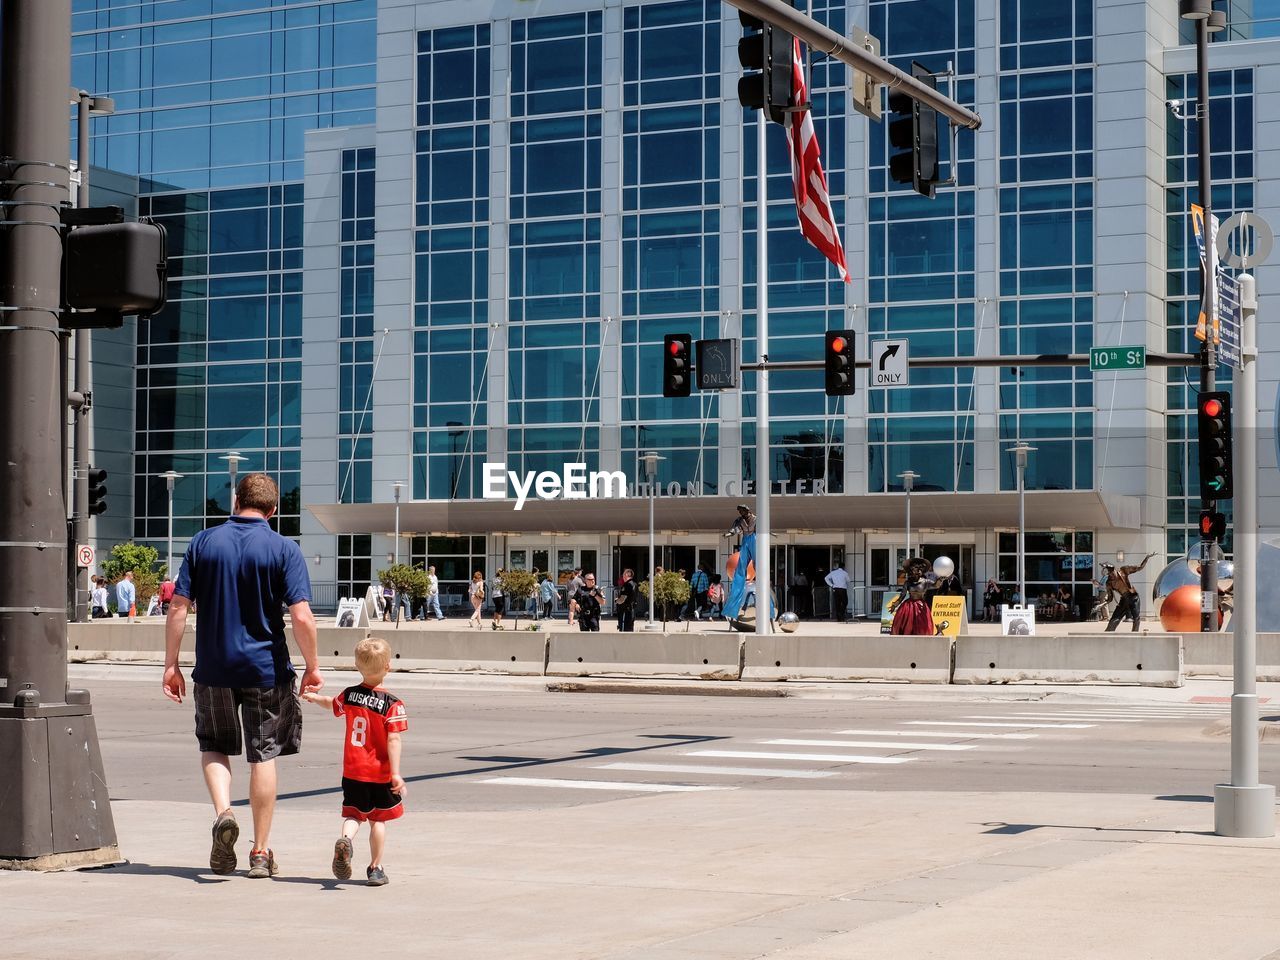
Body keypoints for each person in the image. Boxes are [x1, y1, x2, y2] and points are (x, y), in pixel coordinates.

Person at [161, 472, 321, 879]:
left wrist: (171, 664)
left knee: (214, 744)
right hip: (266, 669)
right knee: (263, 755)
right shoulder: (284, 548)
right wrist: (313, 668)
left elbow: (178, 606)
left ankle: (223, 813)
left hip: (213, 667)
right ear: (274, 509)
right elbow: (301, 615)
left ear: (235, 501)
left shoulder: (203, 542)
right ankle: (261, 854)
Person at [301, 637, 407, 887]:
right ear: (388, 667)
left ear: (358, 667)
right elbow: (394, 740)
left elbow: (332, 705)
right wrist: (396, 773)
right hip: (379, 774)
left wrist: (316, 699)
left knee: (354, 814)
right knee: (377, 820)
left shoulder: (350, 696)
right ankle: (375, 868)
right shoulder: (393, 705)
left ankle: (346, 840)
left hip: (353, 771)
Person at [1101, 553, 1154, 632]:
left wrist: (1147, 558)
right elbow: (1110, 599)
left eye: (1112, 573)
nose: (1111, 576)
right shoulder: (1109, 582)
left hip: (1133, 597)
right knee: (1113, 621)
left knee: (1136, 618)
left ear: (1115, 570)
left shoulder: (1124, 570)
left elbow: (1139, 567)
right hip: (1124, 600)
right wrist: (1100, 605)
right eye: (1109, 574)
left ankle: (1134, 636)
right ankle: (1107, 637)